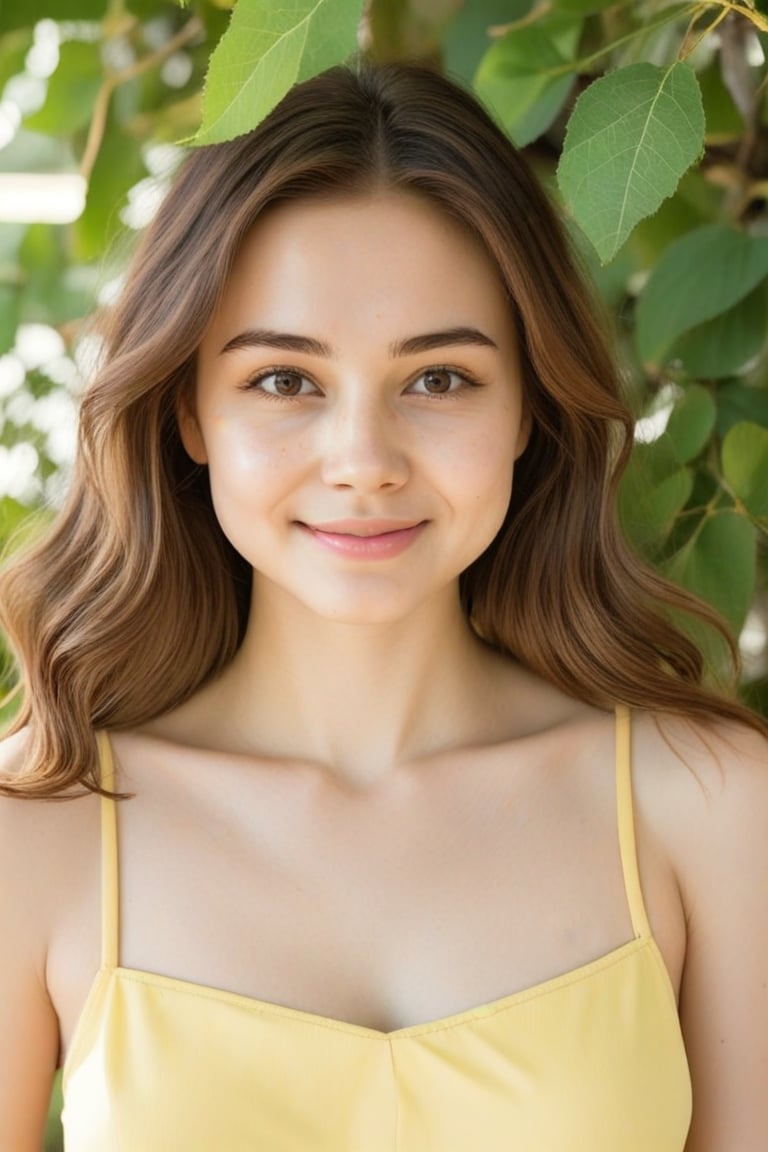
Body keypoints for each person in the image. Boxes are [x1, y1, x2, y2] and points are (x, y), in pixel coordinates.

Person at [0, 60, 766, 1152]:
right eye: (285, 381)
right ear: (187, 413)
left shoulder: (709, 808)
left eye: (440, 379)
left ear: (528, 412)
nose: (363, 461)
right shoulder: (38, 829)